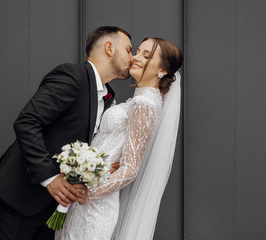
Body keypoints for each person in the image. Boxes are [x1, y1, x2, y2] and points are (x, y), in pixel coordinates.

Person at [0, 26, 133, 240]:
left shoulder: (108, 96)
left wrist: (104, 167)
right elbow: (27, 121)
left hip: (53, 207)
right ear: (109, 48)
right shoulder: (73, 76)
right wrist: (50, 177)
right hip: (18, 196)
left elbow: (81, 142)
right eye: (128, 50)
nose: (132, 57)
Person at [55, 37, 183, 240]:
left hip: (96, 205)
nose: (136, 57)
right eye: (138, 51)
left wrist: (90, 194)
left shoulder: (145, 104)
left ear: (163, 70)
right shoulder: (140, 100)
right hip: (85, 197)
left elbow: (130, 168)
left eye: (147, 56)